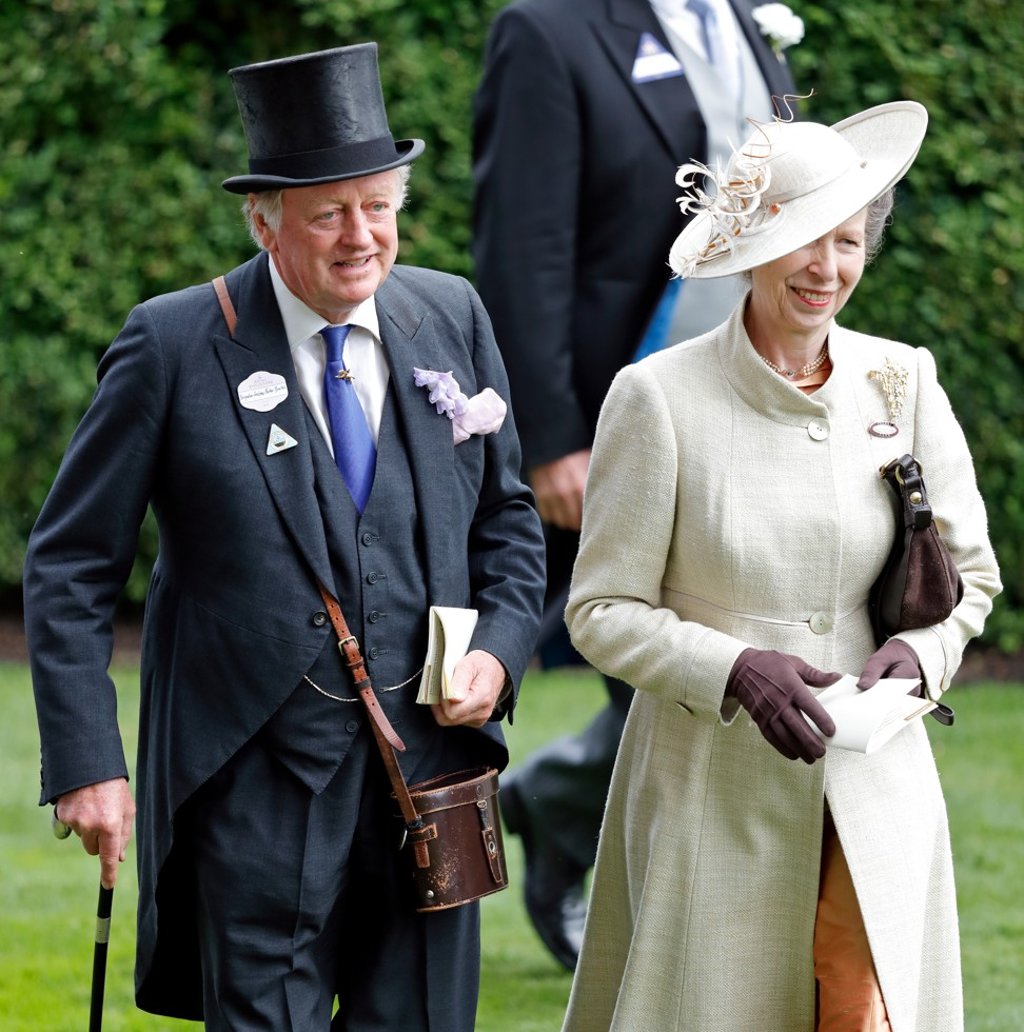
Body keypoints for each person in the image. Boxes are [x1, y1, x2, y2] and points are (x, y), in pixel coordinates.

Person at [23, 43, 545, 1031]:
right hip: (253, 783)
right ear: (263, 222)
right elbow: (70, 561)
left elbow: (509, 524)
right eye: (327, 213)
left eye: (378, 207)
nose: (361, 237)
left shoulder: (451, 316)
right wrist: (88, 760)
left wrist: (499, 654)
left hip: (432, 773)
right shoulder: (173, 344)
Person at [562, 101, 1002, 1030]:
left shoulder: (902, 378)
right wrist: (733, 668)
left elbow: (974, 577)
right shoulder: (657, 398)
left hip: (873, 778)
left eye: (847, 242)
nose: (825, 268)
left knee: (862, 1009)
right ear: (753, 248)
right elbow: (601, 608)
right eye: (803, 240)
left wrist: (923, 655)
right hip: (707, 786)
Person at [472, 0, 801, 970]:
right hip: (617, 417)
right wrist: (550, 438)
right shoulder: (547, 29)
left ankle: (556, 806)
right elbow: (519, 240)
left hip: (743, 408)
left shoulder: (744, 21)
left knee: (725, 658)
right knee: (673, 659)